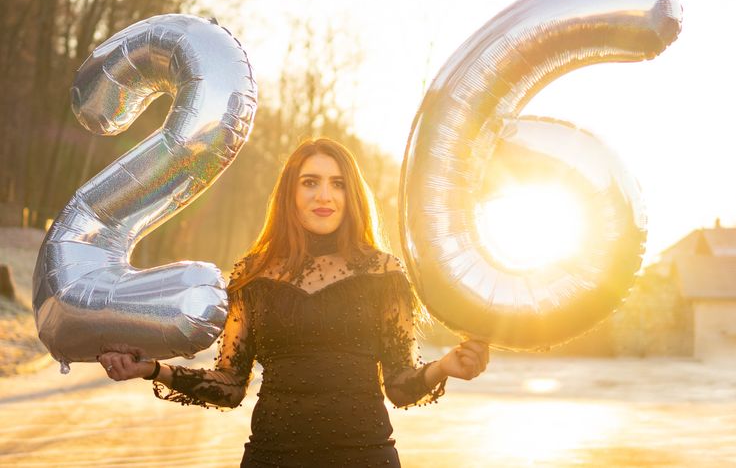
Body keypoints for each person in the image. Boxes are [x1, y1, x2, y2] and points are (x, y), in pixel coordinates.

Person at [98, 137, 490, 467]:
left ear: (351, 194)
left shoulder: (383, 274)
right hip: (273, 457)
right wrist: (151, 369)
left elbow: (401, 386)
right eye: (310, 182)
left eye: (337, 183)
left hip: (364, 457)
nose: (325, 195)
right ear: (290, 192)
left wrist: (445, 367)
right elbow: (231, 385)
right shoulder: (253, 276)